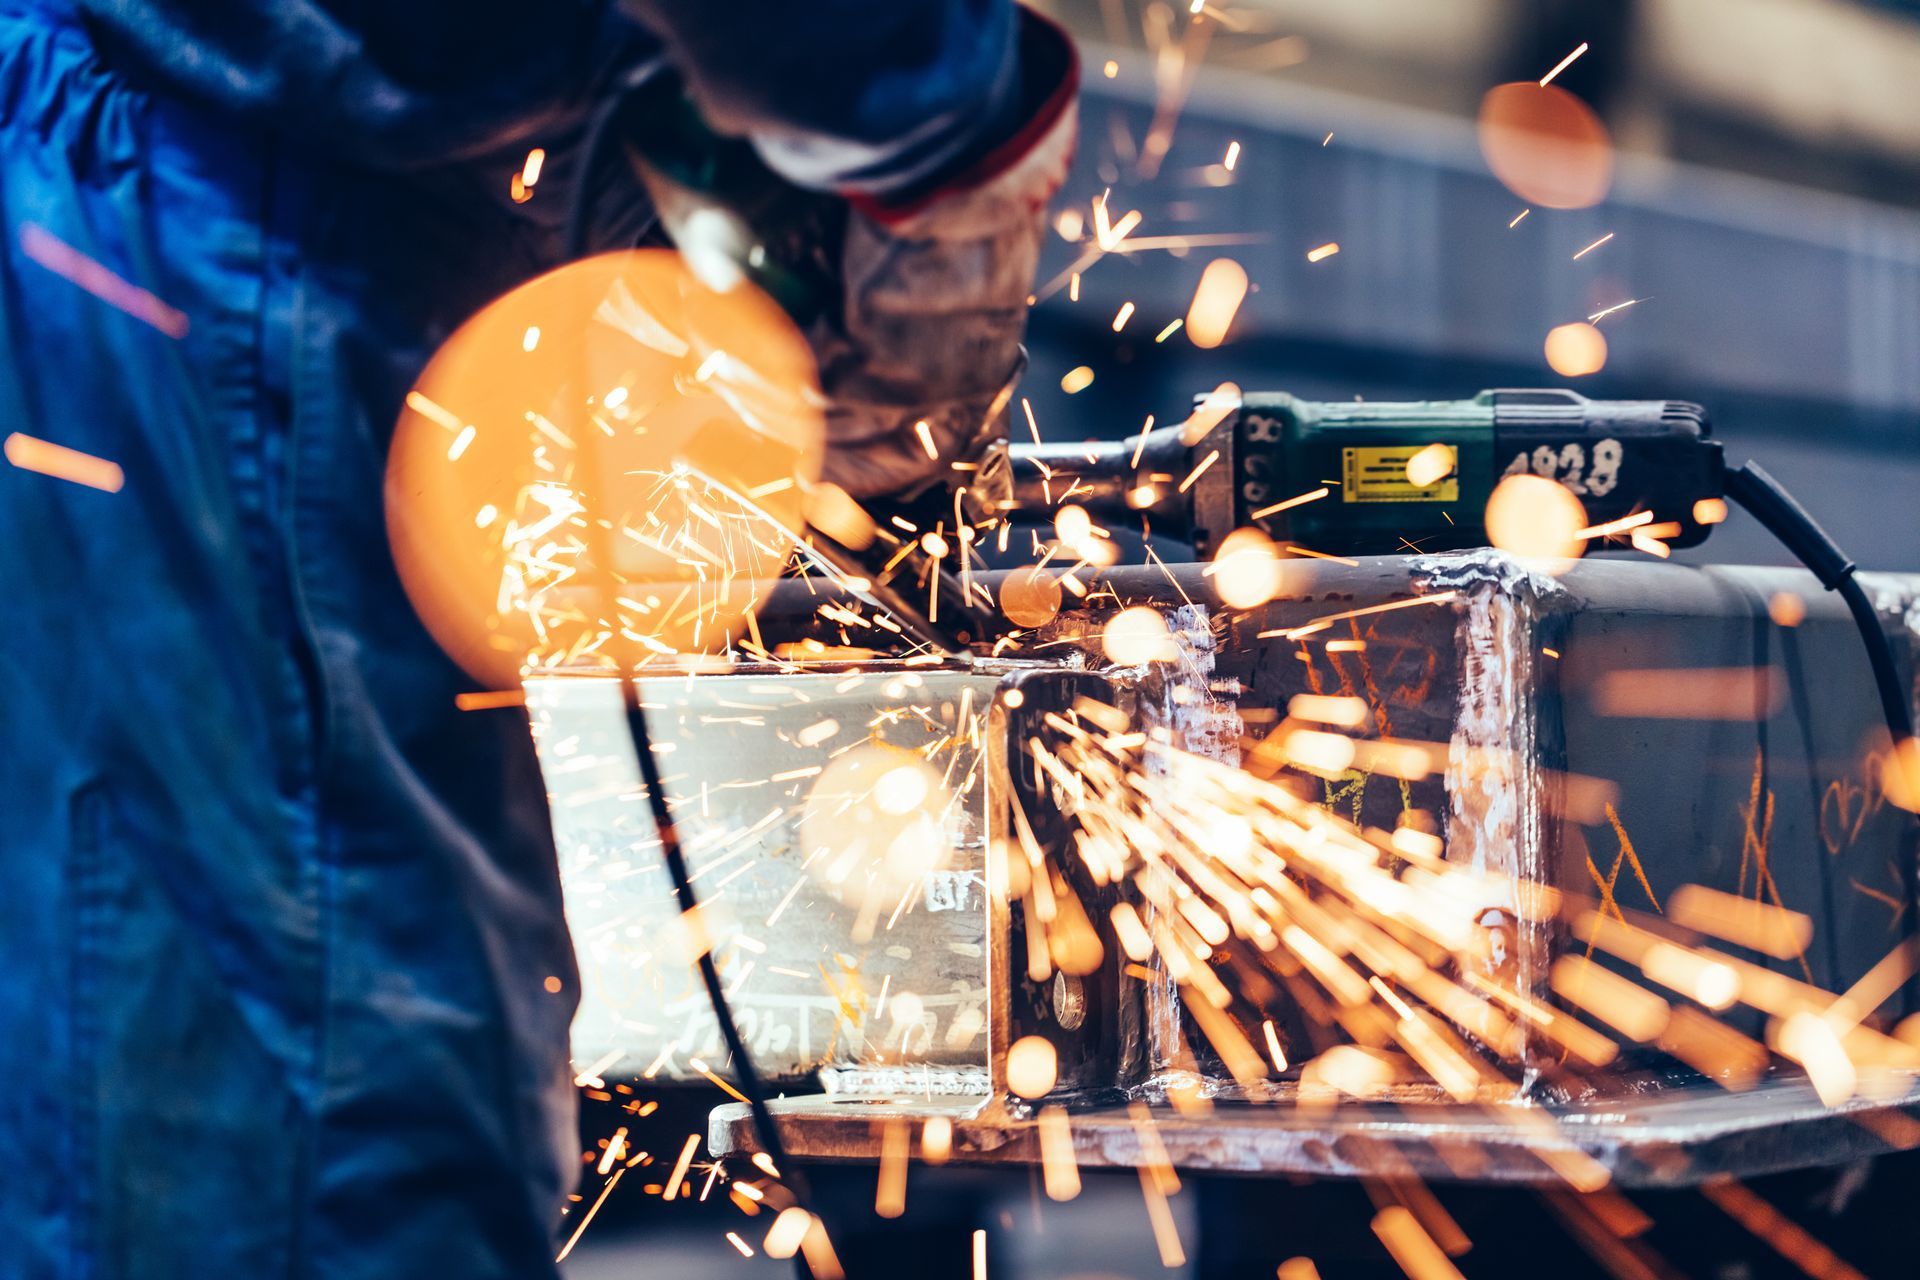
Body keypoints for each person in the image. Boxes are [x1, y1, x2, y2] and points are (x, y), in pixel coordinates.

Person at [0, 2, 1075, 1275]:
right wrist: (945, 133)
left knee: (112, 1036)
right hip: (249, 240)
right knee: (336, 1105)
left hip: (134, 182)